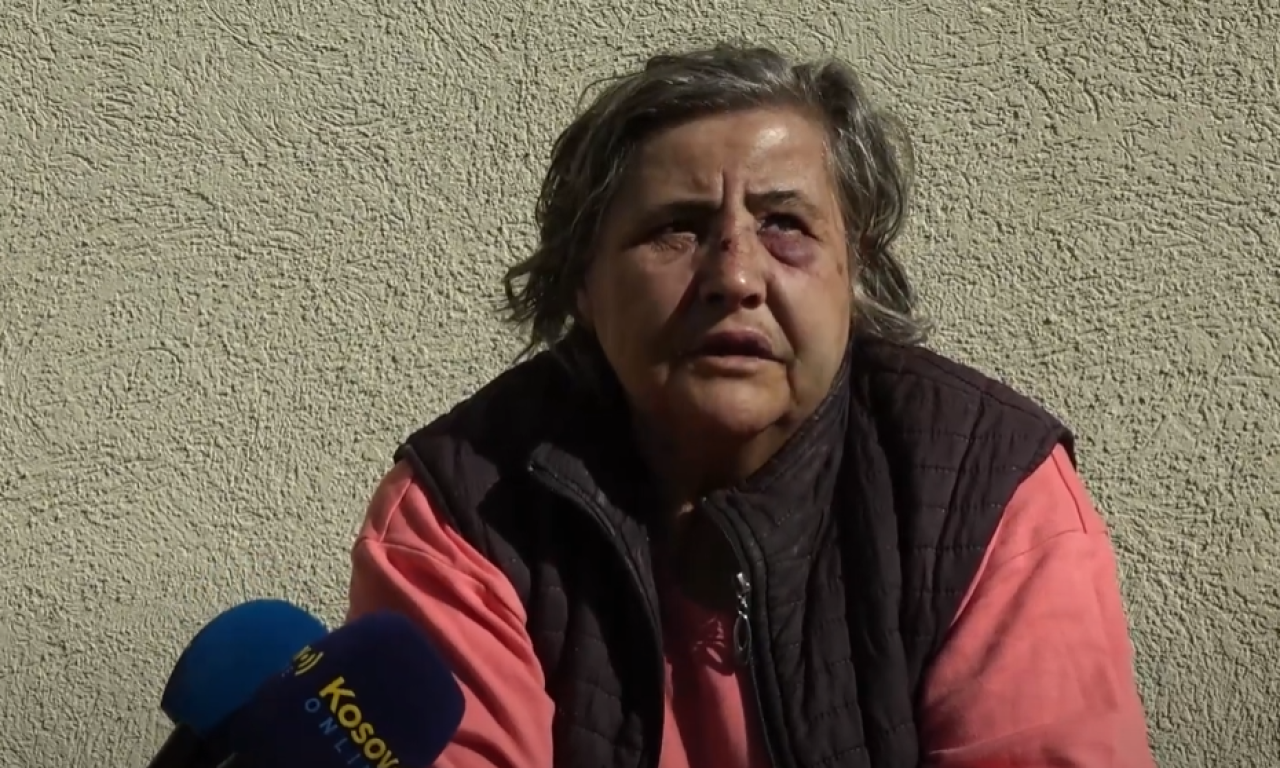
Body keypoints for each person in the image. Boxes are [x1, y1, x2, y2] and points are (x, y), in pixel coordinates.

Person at [346, 43, 1156, 768]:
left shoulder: (986, 490)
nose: (735, 276)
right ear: (584, 283)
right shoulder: (462, 508)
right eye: (677, 228)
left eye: (784, 224)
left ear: (855, 273)